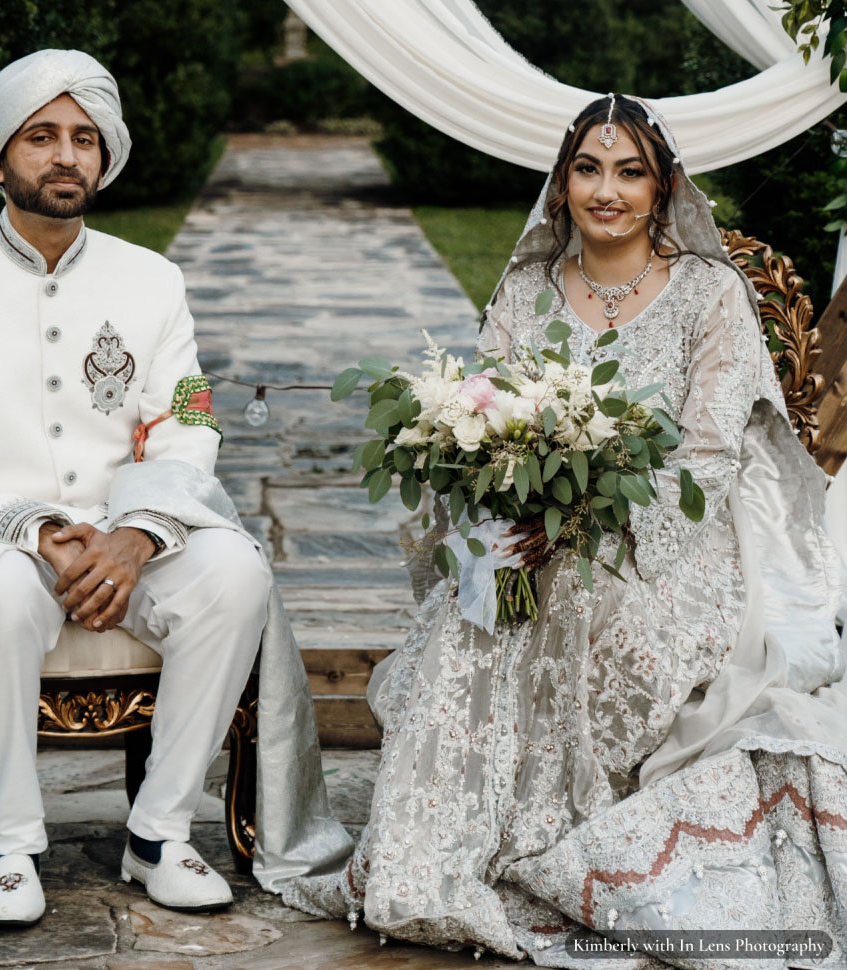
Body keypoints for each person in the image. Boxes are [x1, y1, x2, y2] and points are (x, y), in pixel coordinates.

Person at [283, 95, 847, 966]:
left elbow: (706, 460)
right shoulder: (525, 292)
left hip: (669, 550)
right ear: (562, 182)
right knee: (478, 605)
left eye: (630, 172)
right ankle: (434, 856)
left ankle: (536, 833)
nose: (608, 191)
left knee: (567, 589)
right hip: (531, 533)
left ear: (663, 188)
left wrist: (587, 529)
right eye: (590, 168)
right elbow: (494, 428)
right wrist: (515, 516)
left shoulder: (711, 295)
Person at [0, 49, 352, 927]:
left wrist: (139, 535)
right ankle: (11, 846)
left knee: (237, 572)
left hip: (130, 529)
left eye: (84, 138)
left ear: (105, 155)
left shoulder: (153, 281)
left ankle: (158, 834)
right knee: (11, 587)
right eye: (41, 136)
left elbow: (192, 415)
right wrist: (40, 531)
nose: (66, 156)